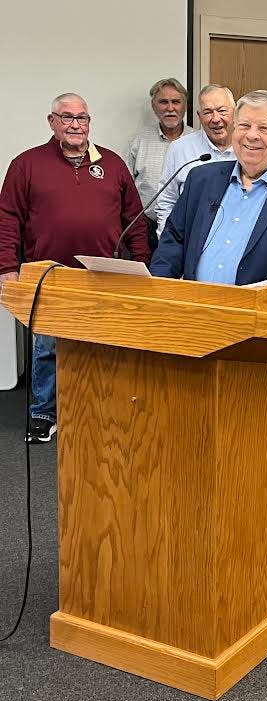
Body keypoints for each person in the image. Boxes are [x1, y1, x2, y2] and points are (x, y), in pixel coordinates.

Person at [0, 92, 150, 443]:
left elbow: (136, 220)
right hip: (49, 274)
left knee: (105, 348)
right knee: (48, 348)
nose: (74, 125)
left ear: (89, 123)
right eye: (66, 117)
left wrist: (143, 264)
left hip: (105, 274)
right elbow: (7, 218)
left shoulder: (112, 164)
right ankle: (43, 413)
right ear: (51, 122)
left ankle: (103, 409)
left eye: (81, 118)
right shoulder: (27, 164)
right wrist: (7, 266)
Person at [150, 90, 267, 291]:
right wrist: (158, 288)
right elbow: (174, 240)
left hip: (260, 315)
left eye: (264, 128)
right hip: (195, 311)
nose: (251, 135)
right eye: (244, 126)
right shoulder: (201, 179)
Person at [155, 84, 236, 235]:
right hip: (191, 240)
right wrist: (167, 245)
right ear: (199, 116)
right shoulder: (180, 148)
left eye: (222, 111)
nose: (215, 119)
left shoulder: (249, 148)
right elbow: (166, 202)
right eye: (207, 112)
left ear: (235, 112)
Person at [124, 78, 193, 249]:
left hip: (188, 228)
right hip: (146, 229)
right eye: (163, 102)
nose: (170, 108)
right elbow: (125, 189)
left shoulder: (197, 141)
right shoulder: (138, 142)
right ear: (154, 107)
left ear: (185, 106)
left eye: (176, 102)